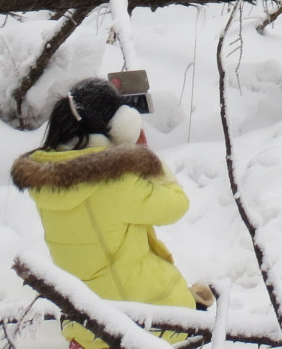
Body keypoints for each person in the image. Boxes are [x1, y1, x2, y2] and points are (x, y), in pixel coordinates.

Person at [12, 77, 204, 346]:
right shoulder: (115, 182)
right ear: (115, 129)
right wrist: (145, 159)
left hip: (84, 321)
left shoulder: (46, 182)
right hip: (137, 322)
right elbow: (176, 205)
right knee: (197, 310)